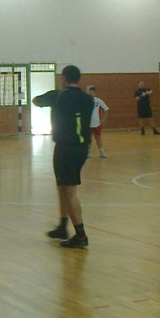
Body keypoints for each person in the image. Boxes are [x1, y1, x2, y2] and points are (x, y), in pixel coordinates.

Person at [32, 65, 93, 248]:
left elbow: (36, 101)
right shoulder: (88, 99)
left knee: (70, 191)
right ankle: (62, 226)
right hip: (82, 148)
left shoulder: (57, 96)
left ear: (64, 78)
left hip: (66, 148)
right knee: (63, 186)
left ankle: (81, 236)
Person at [88, 86, 109, 159]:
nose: (91, 94)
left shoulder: (98, 101)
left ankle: (101, 152)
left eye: (92, 92)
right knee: (89, 138)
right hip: (88, 123)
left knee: (98, 138)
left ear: (95, 93)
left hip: (97, 123)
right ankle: (88, 152)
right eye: (90, 92)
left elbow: (106, 109)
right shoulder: (86, 100)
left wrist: (103, 119)